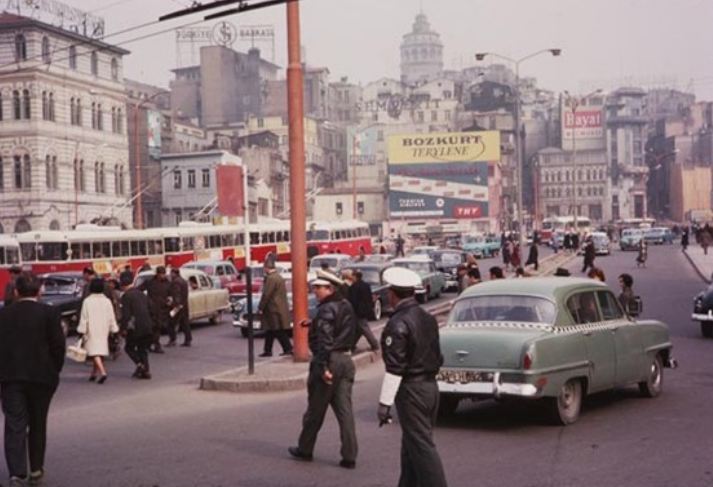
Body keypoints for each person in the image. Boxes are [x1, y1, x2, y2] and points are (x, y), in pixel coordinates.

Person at [376, 267, 448, 487]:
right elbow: (438, 355)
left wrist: (384, 403)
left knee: (421, 446)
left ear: (392, 294)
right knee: (411, 445)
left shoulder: (397, 323)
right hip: (430, 387)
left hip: (411, 390)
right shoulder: (428, 318)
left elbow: (395, 367)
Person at [0, 273, 65, 486]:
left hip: (11, 378)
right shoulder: (50, 313)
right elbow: (58, 346)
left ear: (16, 291)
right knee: (38, 423)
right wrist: (53, 370)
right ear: (40, 291)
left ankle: (17, 473)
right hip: (42, 378)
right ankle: (36, 469)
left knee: (14, 424)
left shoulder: (4, 314)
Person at [289, 270, 358, 469]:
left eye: (318, 287)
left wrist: (323, 367)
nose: (315, 291)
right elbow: (345, 329)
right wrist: (315, 323)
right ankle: (349, 456)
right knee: (345, 412)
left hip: (330, 361)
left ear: (330, 288)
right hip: (346, 360)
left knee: (315, 411)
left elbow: (325, 342)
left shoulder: (326, 309)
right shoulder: (346, 305)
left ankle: (305, 449)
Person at [77, 278, 120, 383]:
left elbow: (84, 317)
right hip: (103, 329)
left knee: (94, 352)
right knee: (99, 351)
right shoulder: (107, 301)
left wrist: (81, 330)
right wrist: (114, 328)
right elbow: (111, 316)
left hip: (91, 329)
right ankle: (93, 373)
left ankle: (103, 372)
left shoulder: (87, 301)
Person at [119, 273, 153, 379]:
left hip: (135, 327)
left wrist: (123, 328)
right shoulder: (141, 294)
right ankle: (145, 370)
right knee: (142, 349)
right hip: (147, 325)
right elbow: (152, 307)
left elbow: (126, 315)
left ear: (123, 286)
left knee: (129, 348)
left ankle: (140, 365)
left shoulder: (126, 296)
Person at [258, 259, 293, 357]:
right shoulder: (279, 277)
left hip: (272, 308)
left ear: (266, 268)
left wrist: (261, 306)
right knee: (270, 330)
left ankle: (288, 348)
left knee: (276, 329)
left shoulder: (271, 278)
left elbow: (266, 294)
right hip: (278, 306)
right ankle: (268, 350)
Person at [348, 270, 379, 353]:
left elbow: (352, 300)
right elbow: (369, 298)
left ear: (355, 276)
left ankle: (374, 344)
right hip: (365, 309)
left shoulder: (354, 287)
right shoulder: (366, 285)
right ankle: (351, 345)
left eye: (352, 276)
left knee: (364, 328)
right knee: (358, 329)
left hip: (357, 311)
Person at [141, 266, 171, 353]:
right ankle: (153, 344)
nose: (162, 276)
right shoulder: (150, 282)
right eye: (161, 274)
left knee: (158, 327)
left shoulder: (167, 283)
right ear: (157, 274)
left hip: (162, 309)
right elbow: (139, 290)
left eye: (164, 274)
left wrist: (170, 301)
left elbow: (171, 293)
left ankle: (153, 344)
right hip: (151, 308)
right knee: (152, 327)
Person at [168, 267, 192, 347]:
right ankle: (188, 339)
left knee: (171, 322)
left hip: (177, 307)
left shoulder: (176, 282)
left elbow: (177, 294)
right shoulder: (183, 281)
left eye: (171, 273)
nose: (170, 275)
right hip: (184, 305)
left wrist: (175, 306)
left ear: (174, 273)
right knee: (185, 323)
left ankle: (172, 340)